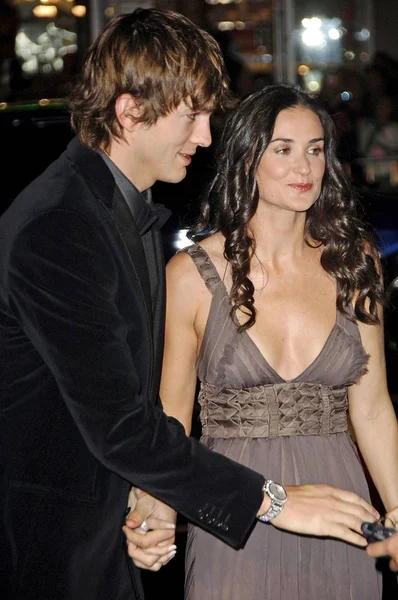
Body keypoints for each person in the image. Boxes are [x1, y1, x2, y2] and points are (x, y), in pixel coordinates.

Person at [0, 10, 379, 599]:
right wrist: (270, 500)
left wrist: (152, 507)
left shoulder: (127, 215)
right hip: (55, 543)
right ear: (129, 112)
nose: (205, 137)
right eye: (192, 117)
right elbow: (125, 424)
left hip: (108, 535)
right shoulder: (60, 227)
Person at [158, 84, 398, 599]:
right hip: (236, 512)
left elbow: (373, 407)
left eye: (315, 149)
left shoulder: (354, 262)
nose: (305, 167)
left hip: (341, 510)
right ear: (247, 159)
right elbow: (170, 420)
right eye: (283, 149)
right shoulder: (192, 274)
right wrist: (152, 507)